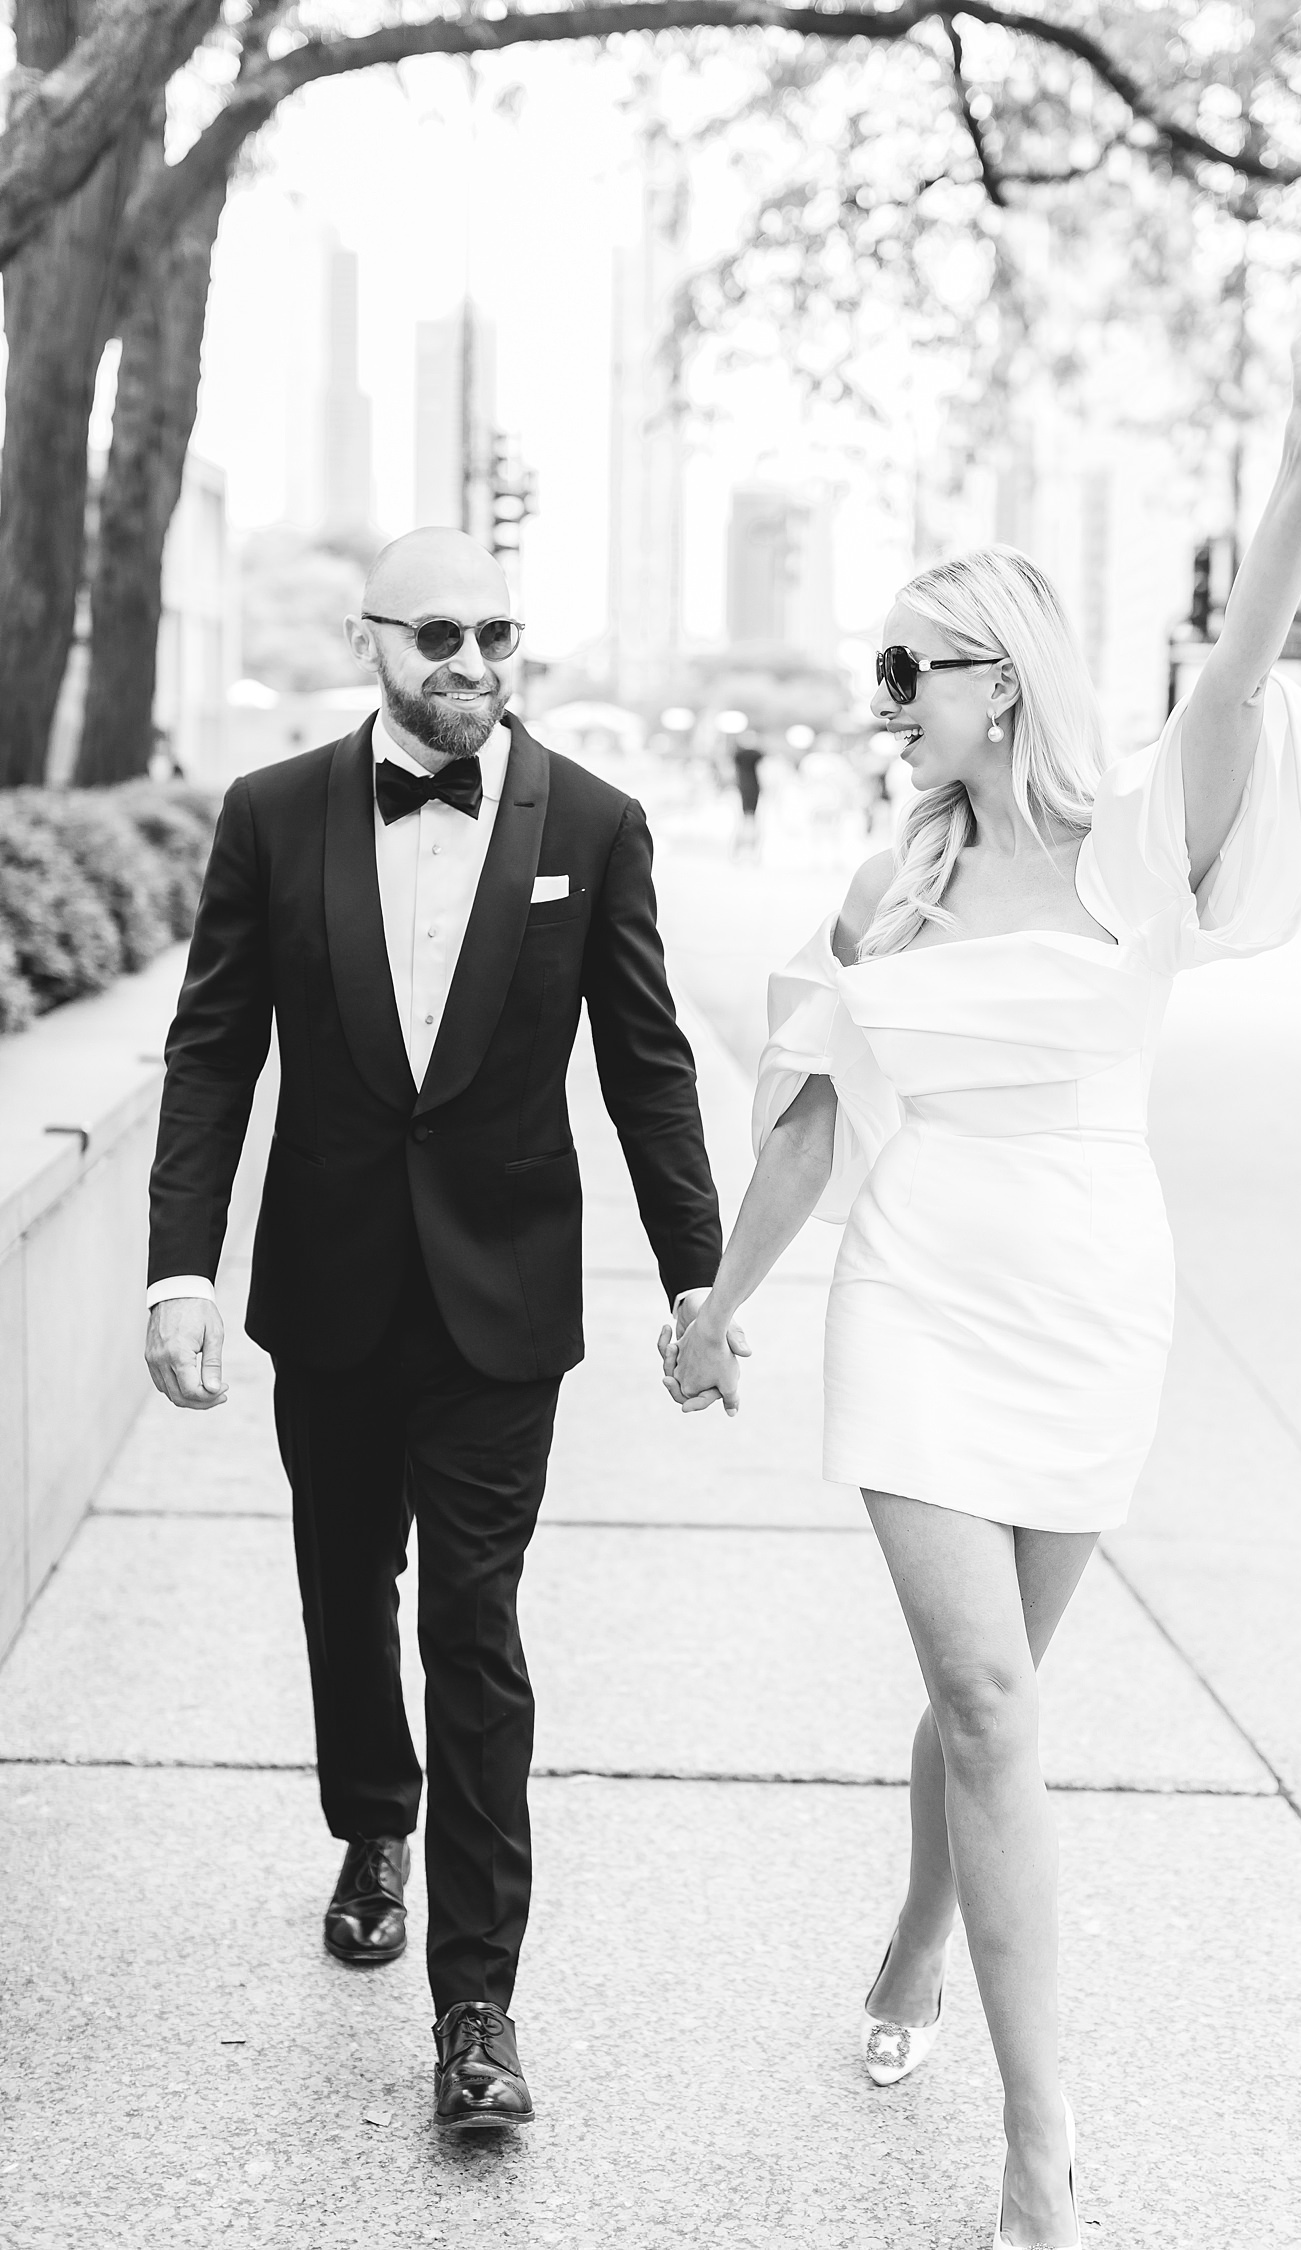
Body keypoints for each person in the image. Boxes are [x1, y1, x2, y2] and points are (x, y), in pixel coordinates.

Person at [662, 300, 1301, 2245]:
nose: (882, 696)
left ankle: (915, 1938)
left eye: (910, 664)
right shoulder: (880, 884)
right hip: (910, 1300)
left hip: (1087, 1299)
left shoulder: (1141, 844)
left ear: (1006, 678)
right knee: (989, 1698)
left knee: (991, 1701)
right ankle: (1043, 2149)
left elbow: (1240, 674)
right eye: (878, 667)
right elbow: (811, 1124)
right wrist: (719, 1307)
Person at [145, 528, 725, 2134]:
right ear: (374, 640)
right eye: (446, 634)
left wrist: (702, 1280)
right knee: (345, 1583)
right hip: (326, 1288)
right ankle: (369, 1816)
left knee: (472, 1625)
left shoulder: (594, 824)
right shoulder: (272, 815)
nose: (477, 663)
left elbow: (648, 1064)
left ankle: (477, 2004)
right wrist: (178, 1268)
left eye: (503, 634)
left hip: (500, 1304)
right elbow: (212, 1053)